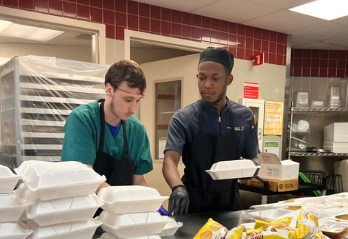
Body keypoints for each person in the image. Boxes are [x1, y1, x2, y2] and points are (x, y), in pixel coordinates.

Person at [162, 47, 259, 215]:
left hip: (230, 205)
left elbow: (253, 157)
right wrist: (177, 187)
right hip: (193, 203)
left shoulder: (245, 117)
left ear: (228, 79)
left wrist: (253, 168)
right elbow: (170, 161)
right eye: (202, 78)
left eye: (215, 78)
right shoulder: (183, 118)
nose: (207, 84)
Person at [61, 59, 153, 191]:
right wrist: (121, 200)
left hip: (123, 209)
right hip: (87, 208)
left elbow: (138, 180)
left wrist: (148, 200)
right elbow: (84, 177)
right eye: (128, 99)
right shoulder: (82, 120)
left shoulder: (137, 130)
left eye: (138, 101)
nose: (133, 109)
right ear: (109, 90)